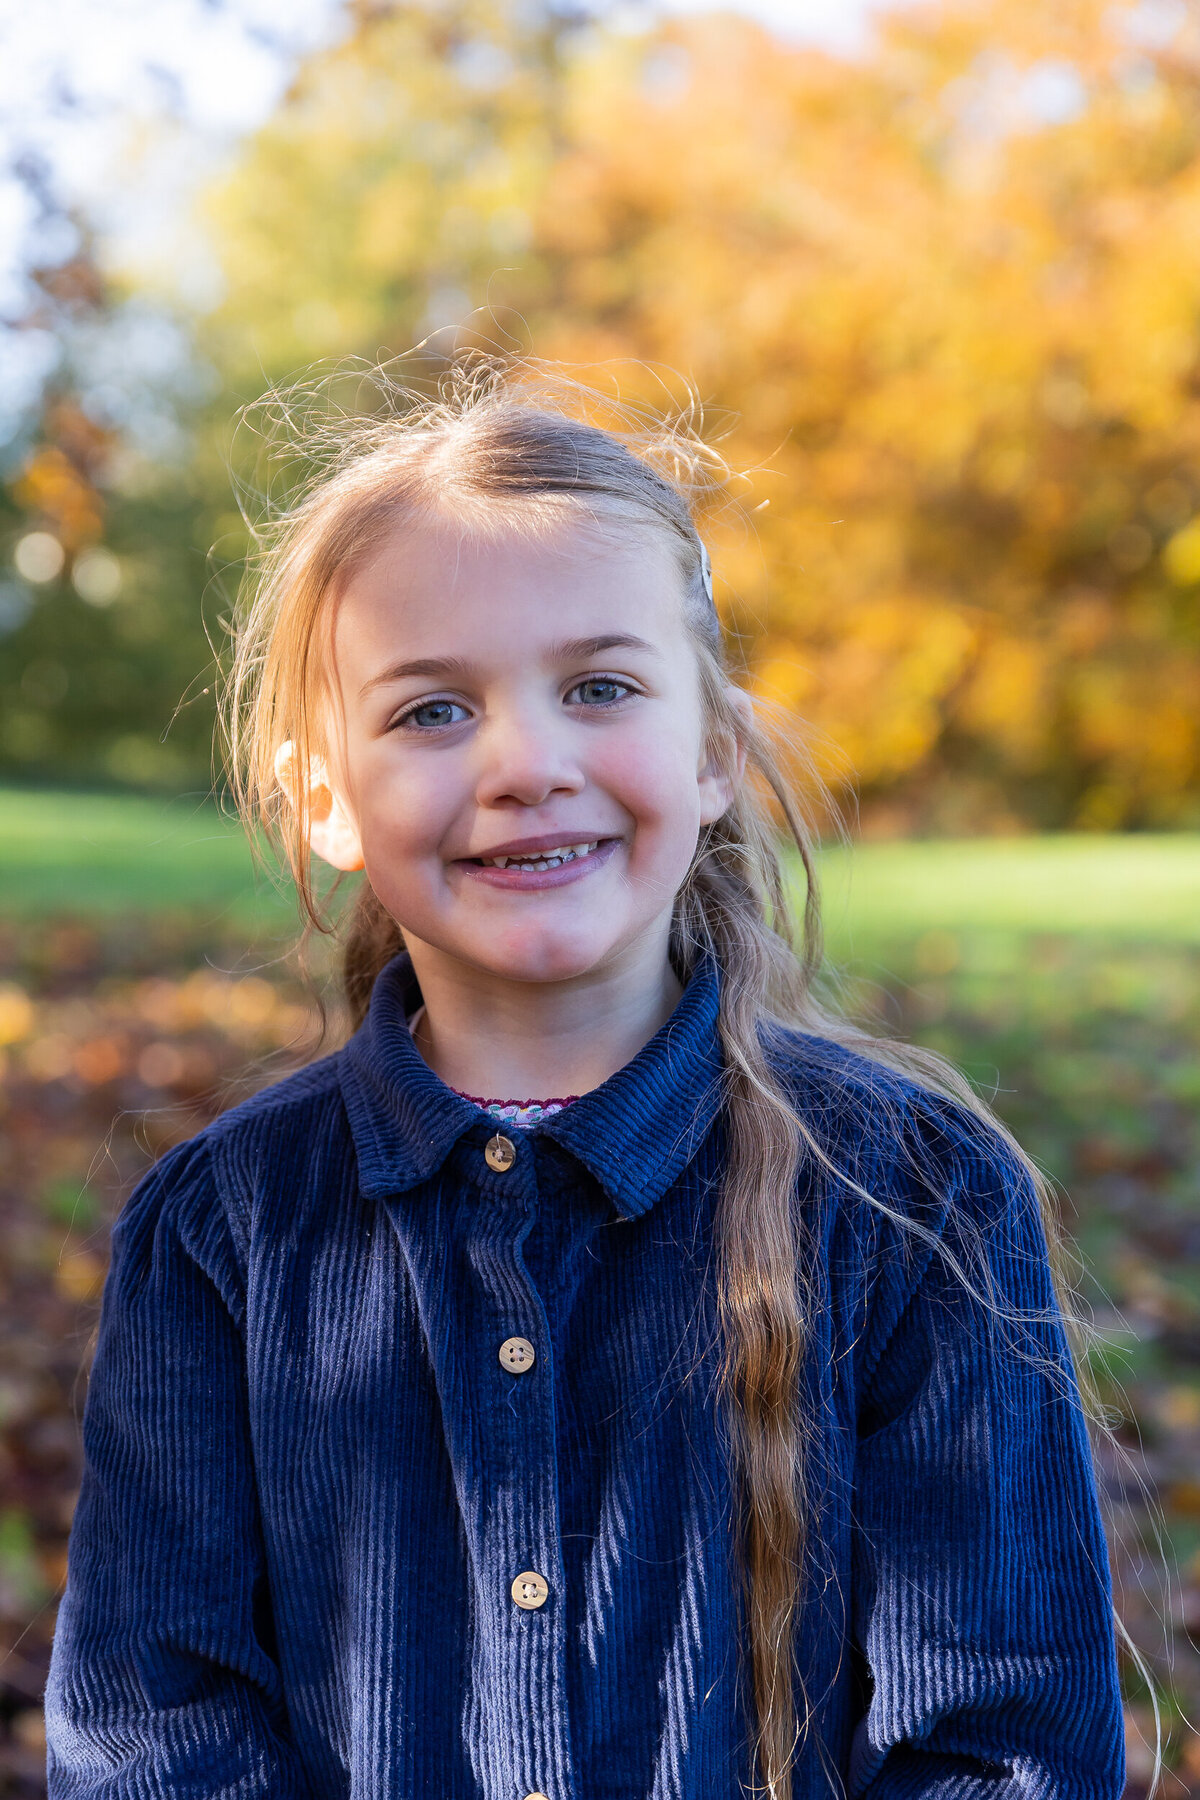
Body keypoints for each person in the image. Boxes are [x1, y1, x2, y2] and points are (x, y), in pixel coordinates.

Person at [44, 365, 1126, 1798]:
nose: (525, 764)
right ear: (325, 798)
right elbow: (152, 1736)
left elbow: (1002, 1747)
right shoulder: (220, 1232)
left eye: (600, 687)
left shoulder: (913, 1199)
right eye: (432, 712)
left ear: (713, 751)